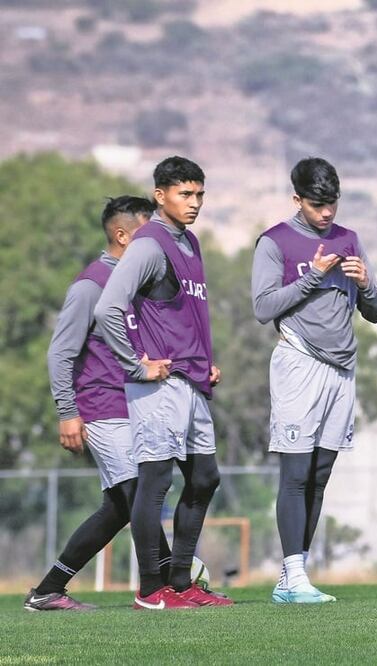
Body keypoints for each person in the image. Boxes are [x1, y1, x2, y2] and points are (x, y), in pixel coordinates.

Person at [95, 156, 231, 609]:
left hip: (191, 381)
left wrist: (205, 361)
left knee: (205, 477)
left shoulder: (189, 243)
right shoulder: (150, 243)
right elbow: (108, 307)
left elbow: (184, 315)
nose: (194, 204)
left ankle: (180, 581)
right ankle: (151, 590)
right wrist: (136, 366)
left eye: (199, 195)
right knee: (155, 483)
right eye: (184, 194)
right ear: (160, 196)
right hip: (159, 385)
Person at [24, 196, 173, 610]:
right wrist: (67, 413)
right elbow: (60, 353)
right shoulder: (91, 285)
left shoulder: (139, 284)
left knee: (120, 505)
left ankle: (48, 590)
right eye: (149, 234)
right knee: (138, 493)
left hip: (137, 407)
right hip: (102, 408)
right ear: (123, 235)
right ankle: (163, 581)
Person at [252, 157, 377, 603]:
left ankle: (296, 575)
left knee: (321, 473)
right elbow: (263, 308)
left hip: (342, 368)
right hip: (299, 363)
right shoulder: (275, 242)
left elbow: (376, 310)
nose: (326, 213)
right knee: (295, 471)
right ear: (297, 199)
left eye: (331, 204)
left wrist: (366, 285)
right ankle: (291, 574)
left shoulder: (350, 239)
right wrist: (312, 277)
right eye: (316, 205)